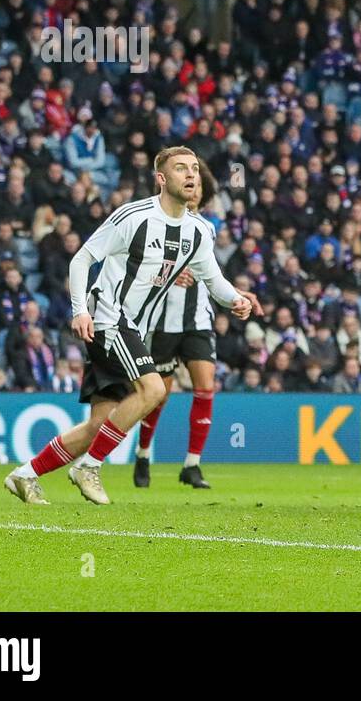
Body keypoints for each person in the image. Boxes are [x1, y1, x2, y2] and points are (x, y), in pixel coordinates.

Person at [3, 147, 259, 506]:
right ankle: (89, 466)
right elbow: (82, 259)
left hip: (134, 327)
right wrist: (80, 311)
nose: (191, 175)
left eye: (194, 169)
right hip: (109, 317)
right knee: (153, 390)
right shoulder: (134, 217)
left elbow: (214, 280)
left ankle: (26, 473)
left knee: (99, 425)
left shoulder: (199, 230)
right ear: (161, 179)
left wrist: (236, 300)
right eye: (181, 168)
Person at [134, 162, 222, 490]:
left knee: (206, 387)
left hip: (197, 321)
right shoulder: (155, 224)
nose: (194, 190)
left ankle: (192, 464)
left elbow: (210, 273)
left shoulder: (206, 229)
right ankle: (143, 454)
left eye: (198, 186)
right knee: (159, 395)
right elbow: (143, 267)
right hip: (163, 323)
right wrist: (169, 275)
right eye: (189, 183)